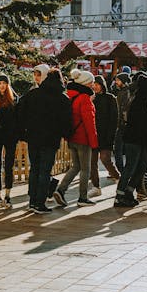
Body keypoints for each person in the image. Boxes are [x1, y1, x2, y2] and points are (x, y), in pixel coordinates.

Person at [18, 68, 71, 214]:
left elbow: (21, 113)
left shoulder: (33, 94)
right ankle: (40, 203)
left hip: (33, 138)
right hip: (50, 140)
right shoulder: (62, 99)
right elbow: (66, 122)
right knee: (45, 171)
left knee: (34, 169)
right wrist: (66, 134)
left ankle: (32, 201)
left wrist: (23, 133)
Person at [55, 70, 98, 207]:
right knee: (85, 169)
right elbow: (89, 123)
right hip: (83, 139)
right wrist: (94, 142)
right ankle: (82, 198)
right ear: (86, 83)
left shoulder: (71, 95)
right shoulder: (84, 98)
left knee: (76, 166)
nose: (93, 84)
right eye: (91, 82)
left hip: (71, 137)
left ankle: (61, 190)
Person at [115, 73, 147, 206]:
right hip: (134, 140)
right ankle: (120, 195)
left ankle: (128, 191)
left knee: (142, 166)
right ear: (146, 88)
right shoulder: (141, 102)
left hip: (139, 140)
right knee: (131, 167)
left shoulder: (139, 100)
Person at [0, 75, 18, 209]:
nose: (2, 85)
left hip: (10, 137)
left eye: (4, 83)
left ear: (7, 85)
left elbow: (17, 119)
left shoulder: (14, 100)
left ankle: (8, 195)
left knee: (9, 166)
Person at [91, 75, 120, 190]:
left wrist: (111, 135)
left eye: (97, 84)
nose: (96, 87)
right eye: (94, 85)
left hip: (106, 134)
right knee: (92, 162)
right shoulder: (92, 98)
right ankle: (96, 186)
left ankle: (118, 177)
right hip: (94, 134)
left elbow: (114, 118)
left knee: (105, 159)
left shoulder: (110, 98)